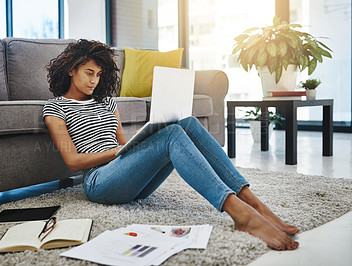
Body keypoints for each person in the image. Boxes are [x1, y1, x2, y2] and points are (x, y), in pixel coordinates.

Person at [43, 39, 300, 251]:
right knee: (172, 135)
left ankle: (252, 202)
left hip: (129, 178)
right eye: (89, 73)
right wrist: (118, 152)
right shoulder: (56, 108)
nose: (94, 81)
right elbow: (72, 161)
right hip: (99, 183)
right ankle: (241, 215)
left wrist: (133, 144)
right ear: (70, 69)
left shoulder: (108, 103)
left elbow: (123, 144)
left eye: (99, 75)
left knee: (185, 122)